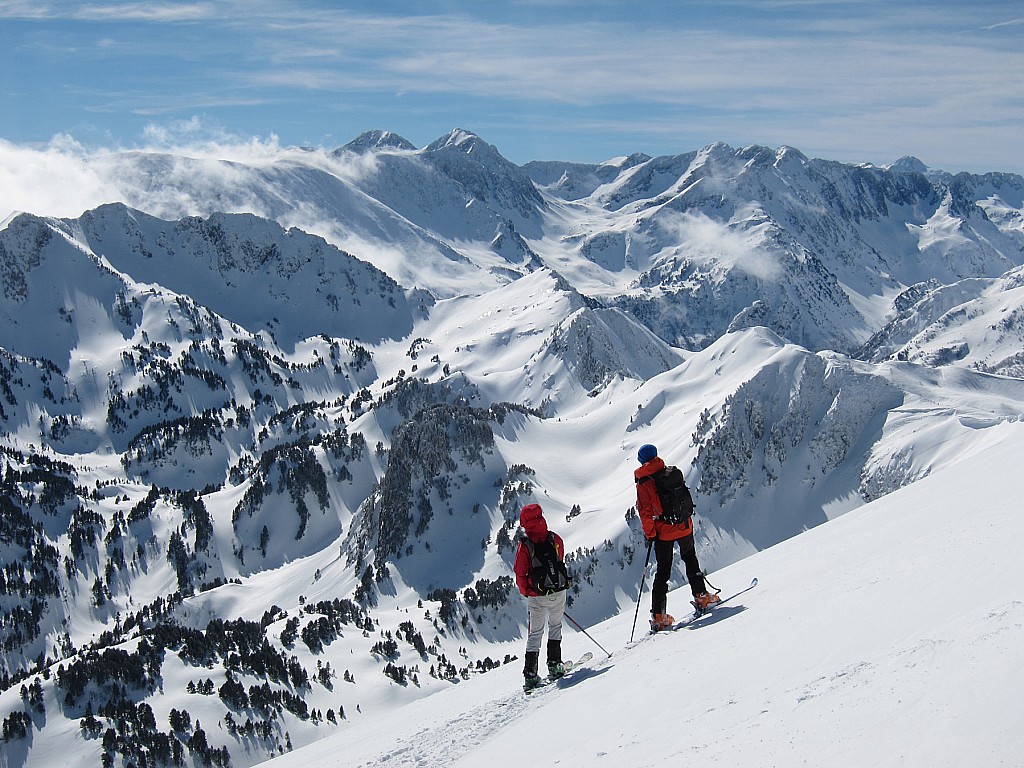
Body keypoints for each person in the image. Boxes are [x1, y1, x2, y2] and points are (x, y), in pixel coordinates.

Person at [634, 443, 719, 631]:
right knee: (690, 559)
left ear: (641, 460)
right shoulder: (669, 472)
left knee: (663, 572)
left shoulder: (644, 482)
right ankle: (702, 596)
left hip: (664, 531)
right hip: (684, 525)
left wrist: (651, 534)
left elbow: (645, 513)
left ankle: (659, 615)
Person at [513, 503, 570, 691]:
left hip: (537, 596)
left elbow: (520, 573)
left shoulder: (525, 545)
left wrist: (527, 591)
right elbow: (559, 558)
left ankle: (530, 674)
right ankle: (555, 665)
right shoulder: (554, 538)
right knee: (556, 627)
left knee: (535, 633)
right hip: (558, 591)